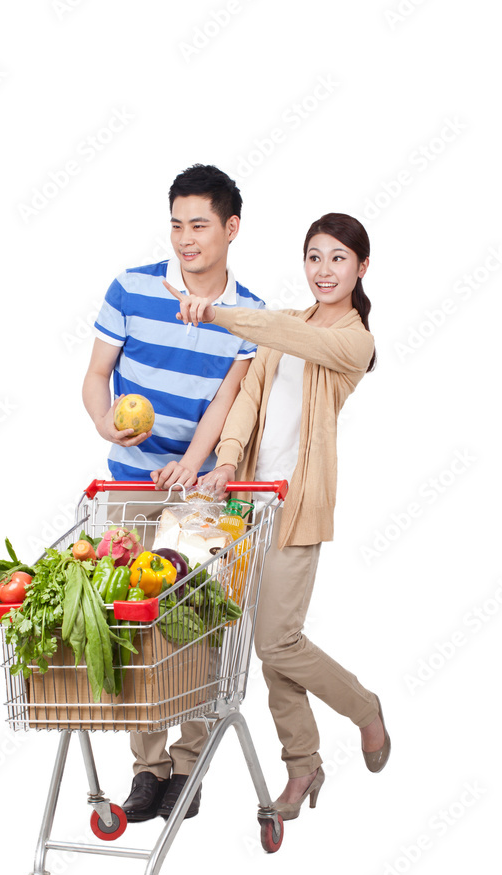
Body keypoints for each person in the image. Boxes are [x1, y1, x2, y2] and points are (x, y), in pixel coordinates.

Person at [163, 212, 391, 820]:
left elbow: (282, 336)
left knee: (277, 643)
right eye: (315, 257)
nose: (324, 270)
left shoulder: (353, 341)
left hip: (296, 506)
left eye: (338, 258)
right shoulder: (283, 326)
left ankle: (364, 709)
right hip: (247, 507)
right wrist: (227, 462)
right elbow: (247, 399)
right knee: (267, 649)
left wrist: (214, 312)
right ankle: (303, 766)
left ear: (361, 268)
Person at [82, 164, 264, 821]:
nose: (185, 238)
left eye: (199, 225)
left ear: (230, 228)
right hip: (129, 475)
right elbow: (97, 375)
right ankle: (146, 769)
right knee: (133, 618)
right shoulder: (129, 288)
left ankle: (187, 768)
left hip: (201, 483)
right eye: (176, 224)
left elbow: (228, 397)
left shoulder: (249, 315)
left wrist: (191, 465)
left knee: (197, 620)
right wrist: (105, 422)